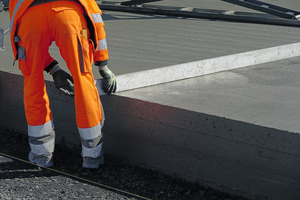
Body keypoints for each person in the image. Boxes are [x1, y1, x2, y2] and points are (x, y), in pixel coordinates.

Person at [9, 0, 116, 168]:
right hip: (68, 14)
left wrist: (53, 69)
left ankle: (41, 156)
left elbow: (17, 22)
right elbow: (94, 17)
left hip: (30, 17)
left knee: (33, 84)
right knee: (82, 80)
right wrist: (102, 63)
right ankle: (92, 157)